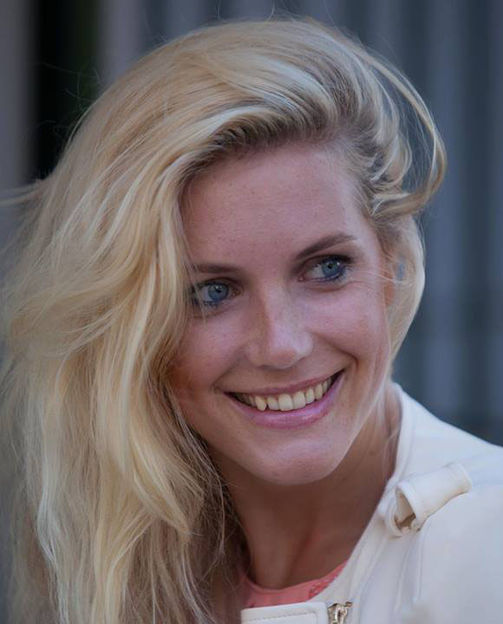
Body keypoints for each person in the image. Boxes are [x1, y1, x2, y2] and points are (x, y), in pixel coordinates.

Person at [1, 17, 502, 624]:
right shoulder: (111, 566)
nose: (282, 345)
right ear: (130, 327)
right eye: (212, 293)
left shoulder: (486, 546)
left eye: (326, 268)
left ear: (389, 264)